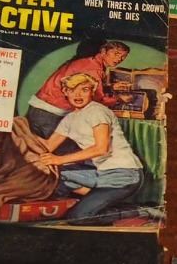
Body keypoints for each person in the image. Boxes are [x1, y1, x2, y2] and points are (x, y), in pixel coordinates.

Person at [38, 73, 143, 222]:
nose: (78, 95)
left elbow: (101, 148)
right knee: (56, 176)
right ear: (65, 92)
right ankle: (99, 201)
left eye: (84, 89)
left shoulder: (97, 111)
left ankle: (139, 211)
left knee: (78, 218)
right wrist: (20, 133)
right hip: (101, 174)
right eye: (72, 90)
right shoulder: (70, 118)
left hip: (124, 175)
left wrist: (59, 160)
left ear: (92, 91)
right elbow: (48, 146)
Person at [26, 40, 130, 138]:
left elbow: (84, 85)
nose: (119, 59)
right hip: (48, 114)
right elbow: (96, 100)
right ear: (103, 51)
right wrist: (118, 99)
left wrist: (111, 87)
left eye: (123, 56)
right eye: (116, 54)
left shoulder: (89, 62)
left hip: (42, 110)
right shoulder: (94, 69)